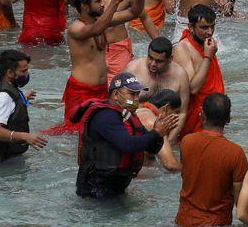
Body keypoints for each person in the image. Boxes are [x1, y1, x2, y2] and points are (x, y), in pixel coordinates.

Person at [74, 71, 177, 199]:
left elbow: (152, 149)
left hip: (116, 187)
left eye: (138, 94)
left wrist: (160, 133)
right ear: (116, 95)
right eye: (132, 94)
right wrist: (155, 132)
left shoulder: (129, 116)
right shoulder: (105, 116)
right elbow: (127, 145)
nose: (136, 98)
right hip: (95, 189)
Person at [176, 92, 248, 227]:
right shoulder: (236, 153)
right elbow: (241, 207)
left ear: (202, 115)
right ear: (228, 119)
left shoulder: (186, 142)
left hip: (183, 223)